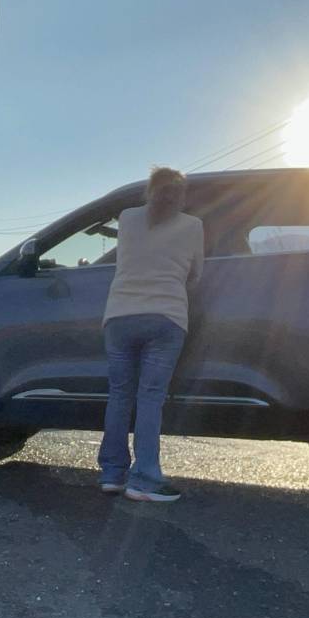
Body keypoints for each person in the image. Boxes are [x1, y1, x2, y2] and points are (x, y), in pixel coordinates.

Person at [98, 167, 204, 502]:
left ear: (148, 191)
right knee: (150, 397)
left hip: (119, 317)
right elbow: (196, 274)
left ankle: (112, 475)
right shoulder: (193, 225)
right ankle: (144, 479)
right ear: (182, 196)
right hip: (165, 318)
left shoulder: (126, 218)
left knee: (119, 396)